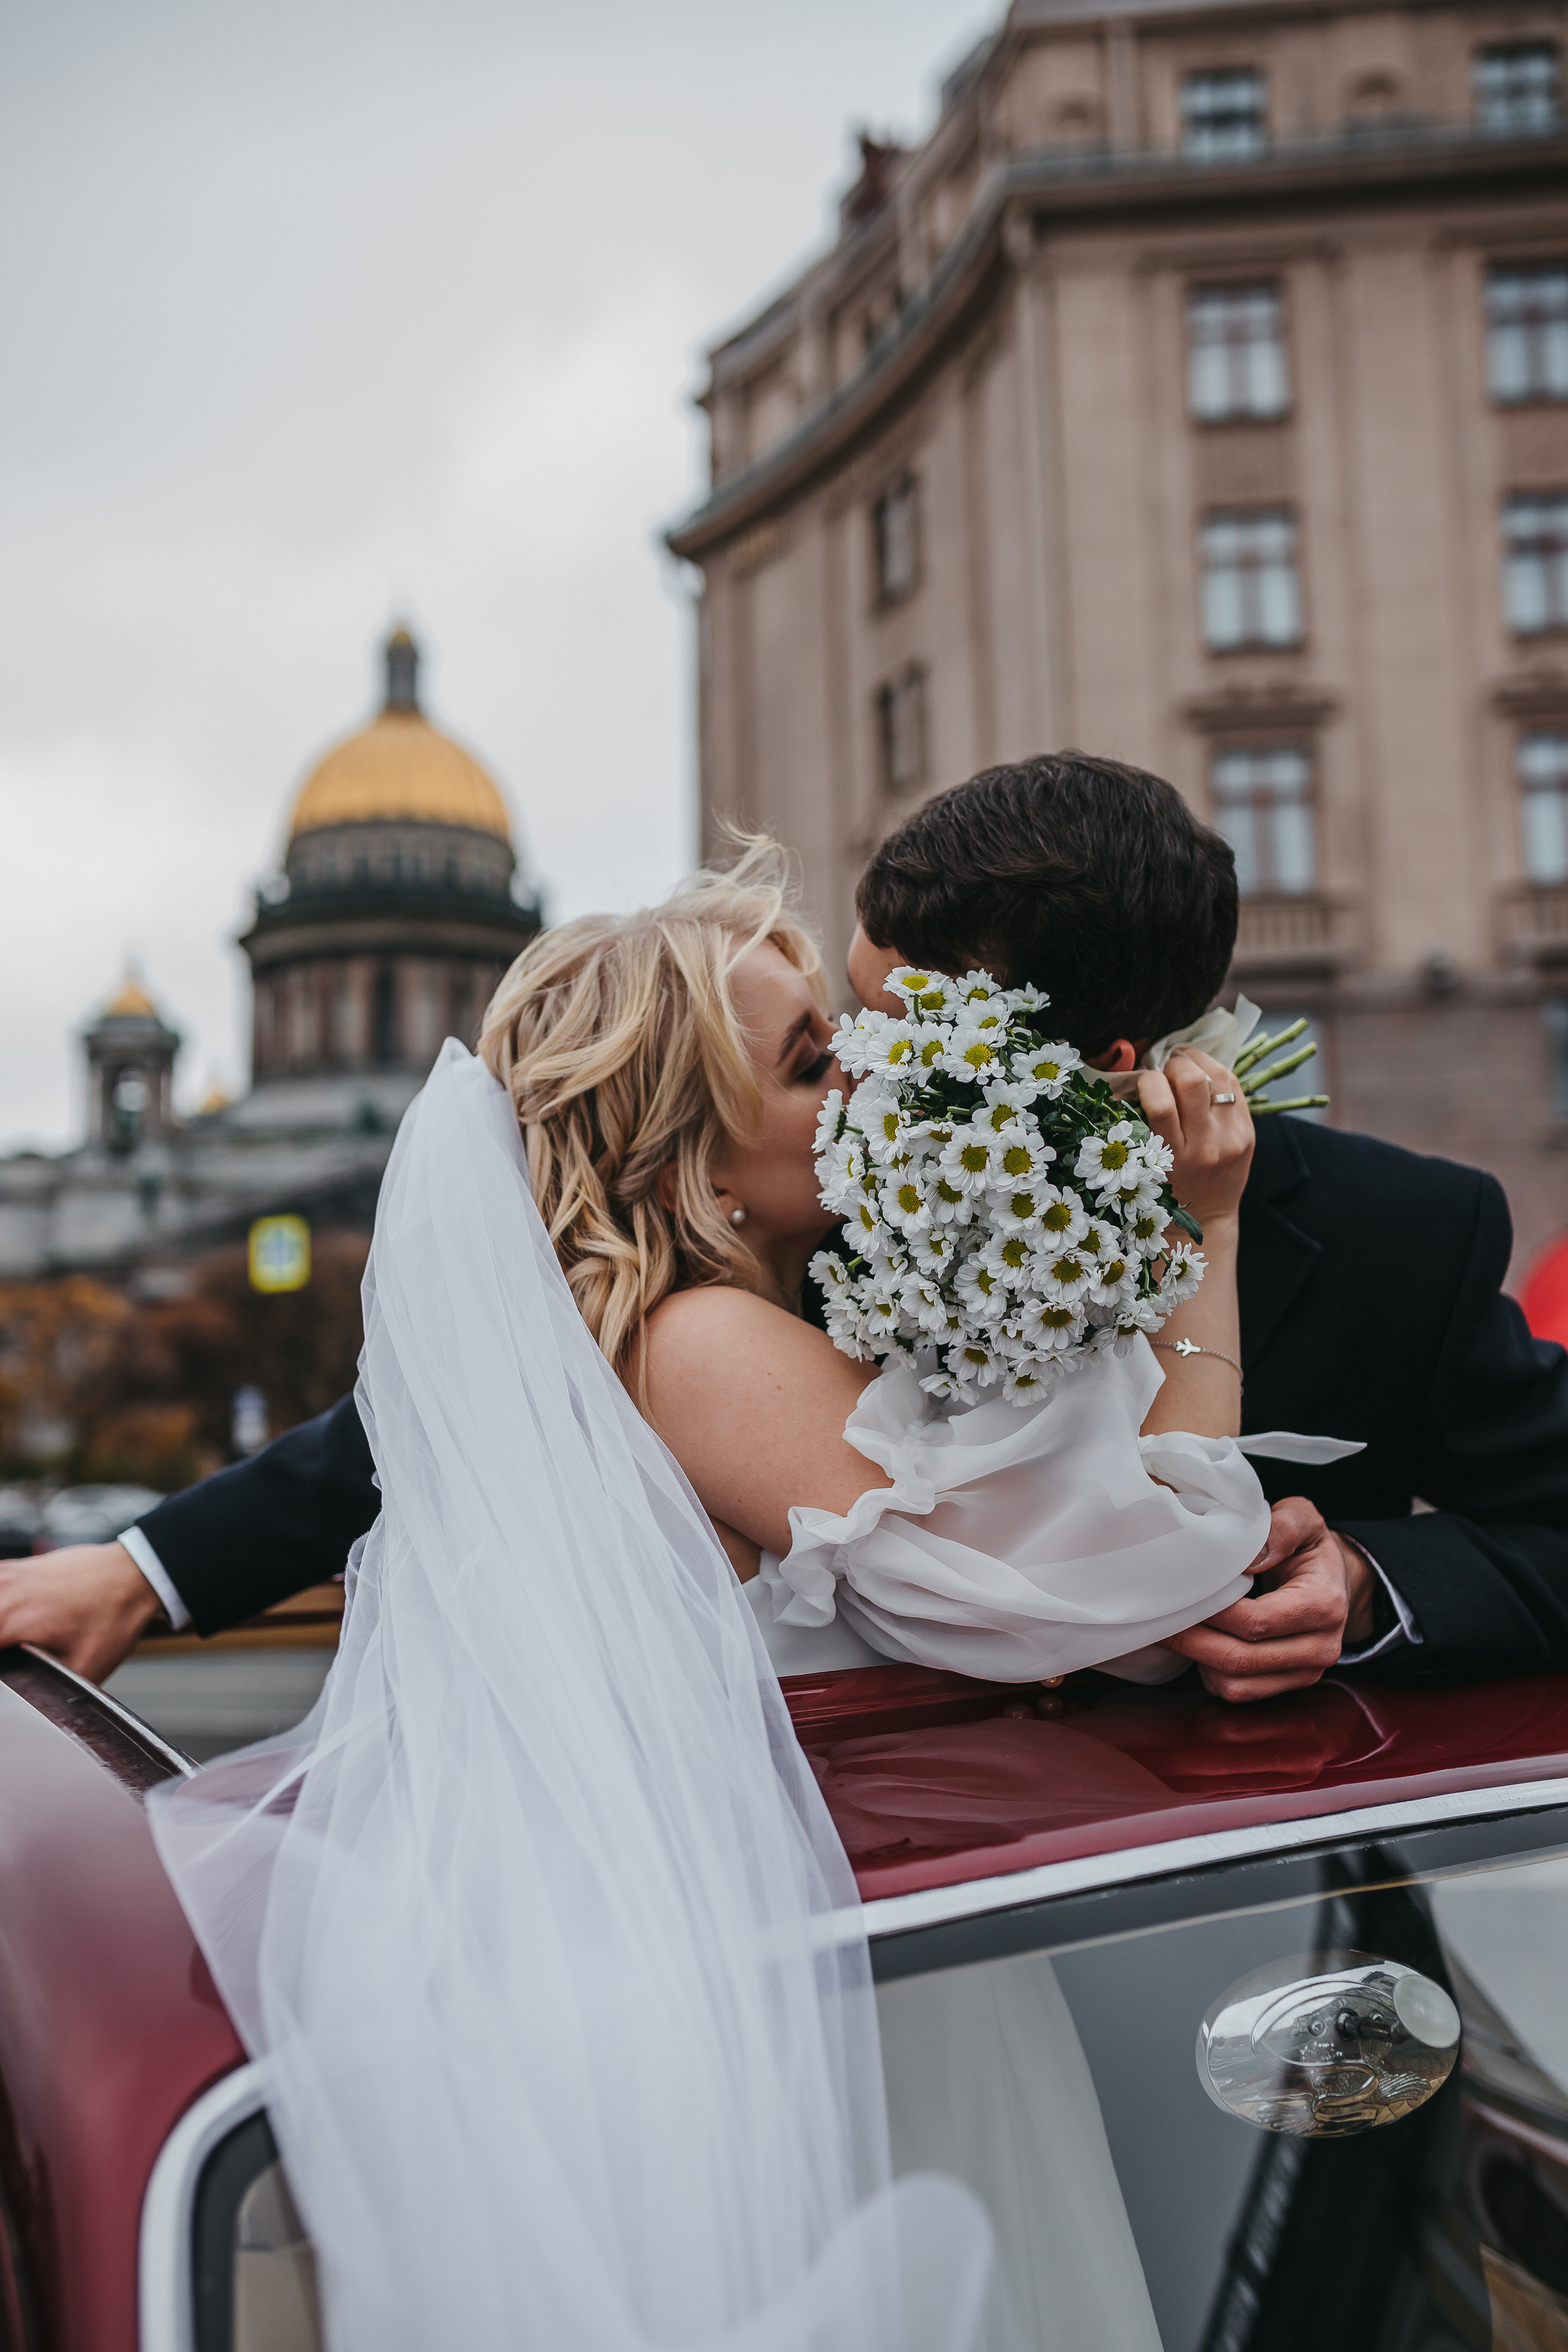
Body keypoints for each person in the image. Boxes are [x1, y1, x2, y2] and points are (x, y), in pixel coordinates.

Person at [11, 750, 1566, 1692]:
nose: (866, 1079)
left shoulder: (1399, 1241)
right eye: (844, 1026)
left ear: (1082, 1063)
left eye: (902, 1040)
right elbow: (486, 1379)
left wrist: (1373, 1591)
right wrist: (145, 1570)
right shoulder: (781, 1206)